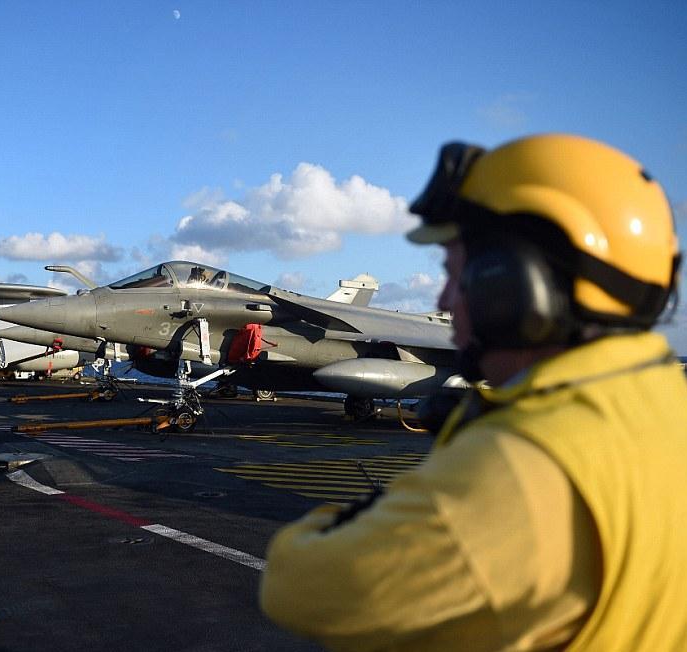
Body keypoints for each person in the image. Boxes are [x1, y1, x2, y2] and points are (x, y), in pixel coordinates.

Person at [259, 134, 687, 651]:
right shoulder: (667, 404)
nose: (443, 301)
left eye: (455, 276)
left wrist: (406, 495)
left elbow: (297, 587)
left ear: (513, 286)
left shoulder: (524, 465)